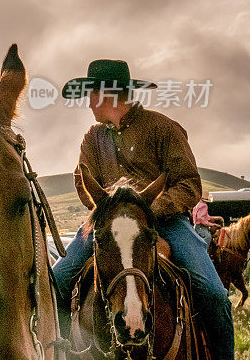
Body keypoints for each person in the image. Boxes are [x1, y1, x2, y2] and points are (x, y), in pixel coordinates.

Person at [52, 59, 233, 359]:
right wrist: (113, 211)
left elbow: (189, 184)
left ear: (107, 95)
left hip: (164, 223)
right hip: (109, 226)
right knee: (56, 281)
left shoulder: (163, 129)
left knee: (214, 294)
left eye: (91, 93)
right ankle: (60, 352)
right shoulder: (92, 138)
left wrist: (149, 210)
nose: (88, 101)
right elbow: (82, 183)